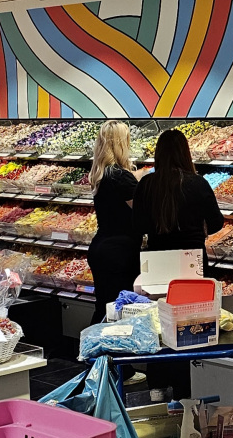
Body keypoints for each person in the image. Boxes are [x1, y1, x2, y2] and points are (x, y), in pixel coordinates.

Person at [134, 128, 224, 275]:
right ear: (185, 154)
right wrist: (200, 229)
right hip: (192, 258)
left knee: (161, 290)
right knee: (191, 290)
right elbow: (216, 223)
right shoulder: (198, 183)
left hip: (157, 258)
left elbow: (139, 224)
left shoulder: (145, 184)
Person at [86, 120, 140, 325]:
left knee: (104, 307)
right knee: (119, 309)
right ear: (121, 144)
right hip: (119, 253)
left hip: (102, 247)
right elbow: (142, 212)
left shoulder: (101, 174)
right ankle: (97, 343)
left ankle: (91, 344)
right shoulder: (121, 177)